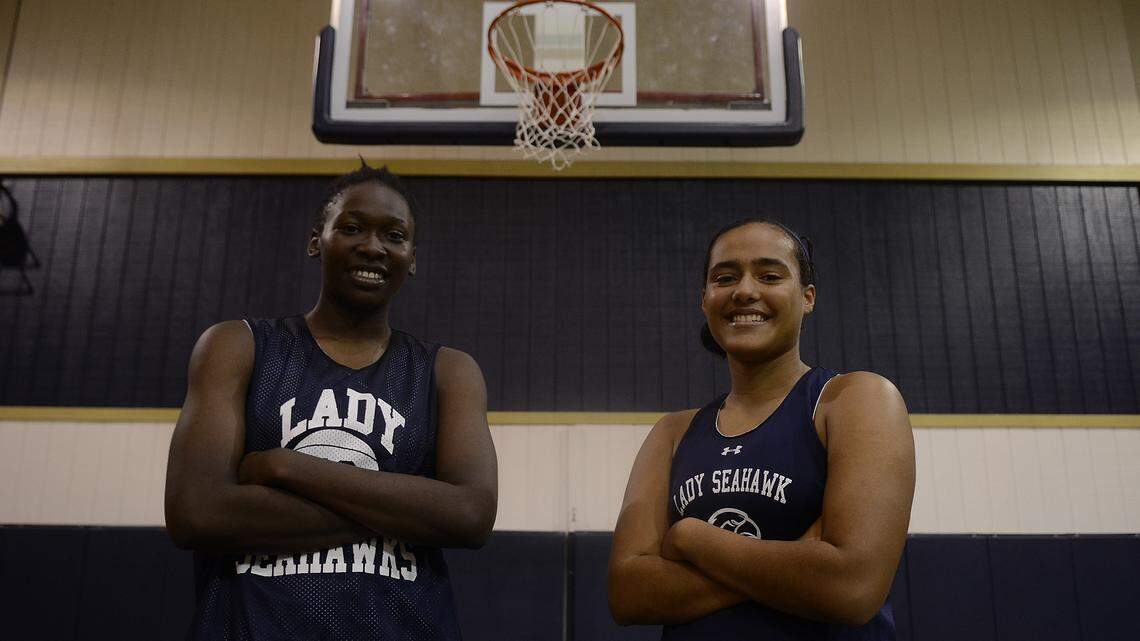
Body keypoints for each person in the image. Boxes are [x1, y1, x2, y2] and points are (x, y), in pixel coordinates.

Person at [164, 163, 498, 640]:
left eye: (394, 235)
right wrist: (408, 510)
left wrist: (287, 468)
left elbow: (470, 516)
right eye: (352, 227)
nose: (372, 247)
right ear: (316, 239)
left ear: (412, 257)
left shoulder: (449, 371)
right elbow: (195, 514)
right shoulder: (237, 346)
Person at [608, 219, 915, 639]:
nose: (745, 291)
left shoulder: (854, 399)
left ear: (807, 297)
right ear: (704, 300)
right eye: (725, 277)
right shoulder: (673, 432)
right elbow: (629, 593)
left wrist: (692, 539)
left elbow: (852, 588)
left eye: (769, 275)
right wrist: (796, 560)